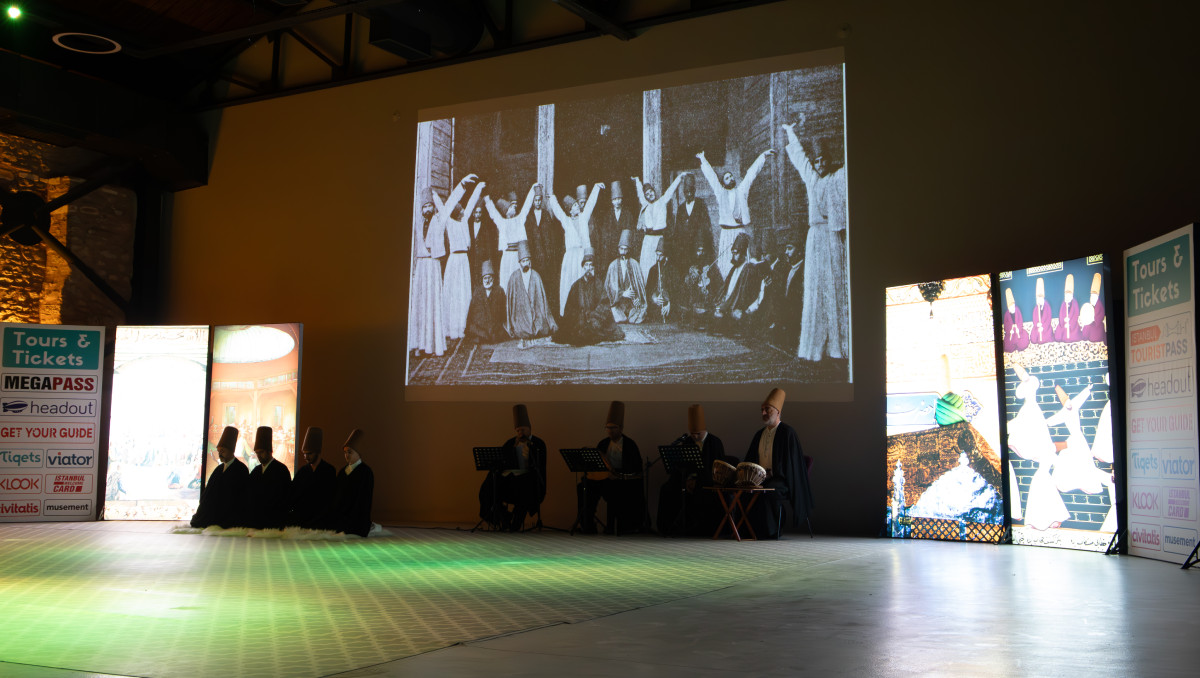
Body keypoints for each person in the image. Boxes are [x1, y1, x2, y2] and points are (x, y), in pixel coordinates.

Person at [783, 120, 848, 362]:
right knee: (814, 288)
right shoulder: (811, 179)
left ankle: (837, 346)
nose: (820, 165)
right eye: (817, 161)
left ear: (829, 161)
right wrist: (790, 132)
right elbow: (800, 159)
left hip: (831, 236)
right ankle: (813, 347)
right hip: (814, 239)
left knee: (833, 286)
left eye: (823, 161)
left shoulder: (837, 178)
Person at [743, 388, 813, 539]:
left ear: (778, 411)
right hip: (759, 479)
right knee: (744, 491)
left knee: (768, 491)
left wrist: (772, 473)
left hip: (782, 480)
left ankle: (771, 531)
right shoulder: (759, 434)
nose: (763, 413)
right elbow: (750, 460)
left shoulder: (788, 433)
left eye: (767, 409)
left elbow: (791, 465)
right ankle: (749, 530)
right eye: (762, 410)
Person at [696, 147, 774, 278]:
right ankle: (728, 286)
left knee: (743, 264)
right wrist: (703, 159)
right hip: (726, 234)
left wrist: (763, 156)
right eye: (727, 178)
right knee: (726, 265)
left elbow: (751, 174)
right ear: (723, 183)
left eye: (731, 176)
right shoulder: (721, 193)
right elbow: (712, 177)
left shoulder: (741, 191)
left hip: (740, 232)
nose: (731, 178)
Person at [656, 404, 727, 537]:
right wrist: (688, 479)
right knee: (666, 489)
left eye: (698, 434)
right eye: (692, 433)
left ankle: (698, 528)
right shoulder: (688, 441)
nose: (695, 436)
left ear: (704, 430)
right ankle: (667, 527)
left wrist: (697, 480)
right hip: (688, 478)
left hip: (706, 480)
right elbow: (682, 465)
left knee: (702, 490)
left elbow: (717, 468)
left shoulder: (715, 442)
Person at [477, 404, 548, 532]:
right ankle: (503, 518)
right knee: (490, 484)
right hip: (510, 481)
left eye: (523, 430)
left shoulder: (538, 444)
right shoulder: (510, 443)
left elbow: (540, 467)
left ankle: (516, 523)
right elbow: (501, 461)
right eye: (518, 430)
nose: (520, 433)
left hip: (529, 483)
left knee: (525, 485)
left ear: (529, 429)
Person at [578, 401, 644, 535]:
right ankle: (587, 524)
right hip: (604, 479)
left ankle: (615, 526)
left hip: (622, 481)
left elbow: (635, 467)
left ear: (621, 428)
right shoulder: (603, 443)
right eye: (608, 427)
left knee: (615, 488)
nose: (610, 430)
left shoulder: (630, 445)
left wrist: (616, 473)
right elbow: (597, 464)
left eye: (613, 427)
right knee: (583, 487)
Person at [547, 183, 604, 316]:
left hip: (583, 256)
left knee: (584, 282)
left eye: (576, 204)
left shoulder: (584, 217)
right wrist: (552, 199)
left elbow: (590, 204)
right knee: (569, 282)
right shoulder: (566, 221)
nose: (577, 206)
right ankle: (568, 312)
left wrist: (596, 188)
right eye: (574, 205)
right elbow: (558, 211)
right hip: (570, 258)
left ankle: (586, 311)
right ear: (569, 210)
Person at [442, 176, 486, 340]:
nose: (462, 211)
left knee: (464, 294)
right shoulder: (449, 222)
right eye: (460, 210)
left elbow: (471, 203)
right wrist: (461, 185)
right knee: (453, 294)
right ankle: (450, 327)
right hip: (454, 261)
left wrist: (478, 188)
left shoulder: (464, 221)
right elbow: (448, 205)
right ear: (455, 212)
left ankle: (462, 327)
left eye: (462, 210)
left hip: (464, 261)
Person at [554, 248, 624, 346]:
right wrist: (579, 318)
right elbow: (570, 308)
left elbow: (604, 305)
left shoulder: (598, 284)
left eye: (591, 265)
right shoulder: (576, 285)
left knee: (600, 332)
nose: (588, 268)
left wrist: (594, 318)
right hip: (580, 321)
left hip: (595, 320)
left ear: (594, 268)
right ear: (583, 267)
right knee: (572, 334)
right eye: (586, 265)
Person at [408, 194, 448, 357]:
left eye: (430, 206)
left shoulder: (439, 220)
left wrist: (463, 186)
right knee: (420, 304)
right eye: (424, 207)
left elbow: (448, 205)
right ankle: (418, 344)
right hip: (421, 266)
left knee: (433, 303)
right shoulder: (417, 223)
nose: (427, 209)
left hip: (433, 265)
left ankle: (433, 345)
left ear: (434, 207)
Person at [484, 184, 539, 294]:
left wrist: (533, 189)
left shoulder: (519, 219)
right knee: (506, 282)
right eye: (511, 207)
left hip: (518, 256)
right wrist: (487, 201)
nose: (514, 208)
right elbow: (493, 213)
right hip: (507, 257)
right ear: (506, 211)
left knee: (520, 283)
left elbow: (527, 206)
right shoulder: (502, 222)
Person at [190, 426, 248, 528]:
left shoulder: (241, 469)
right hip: (214, 513)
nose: (220, 454)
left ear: (231, 451)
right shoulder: (218, 469)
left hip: (231, 514)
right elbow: (208, 494)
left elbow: (241, 497)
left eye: (223, 451)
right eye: (219, 451)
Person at [633, 173, 687, 279]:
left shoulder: (662, 201)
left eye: (651, 191)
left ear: (654, 191)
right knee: (646, 265)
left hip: (659, 239)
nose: (650, 195)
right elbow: (640, 194)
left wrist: (680, 177)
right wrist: (637, 181)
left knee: (658, 264)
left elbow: (670, 190)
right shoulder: (645, 205)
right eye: (647, 194)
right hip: (648, 240)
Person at [505, 240, 557, 348]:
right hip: (521, 316)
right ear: (519, 262)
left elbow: (543, 301)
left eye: (527, 260)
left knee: (541, 327)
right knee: (521, 330)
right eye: (523, 261)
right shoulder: (514, 277)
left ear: (530, 261)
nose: (525, 263)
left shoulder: (536, 276)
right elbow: (509, 304)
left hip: (535, 314)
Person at [323, 429, 374, 537]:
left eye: (350, 452)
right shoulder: (343, 471)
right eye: (345, 452)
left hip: (357, 516)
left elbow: (363, 500)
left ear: (358, 452)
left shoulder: (366, 472)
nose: (346, 455)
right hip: (341, 514)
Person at [525, 185, 563, 320]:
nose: (538, 202)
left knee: (547, 287)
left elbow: (551, 238)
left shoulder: (546, 215)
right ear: (532, 201)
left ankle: (547, 315)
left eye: (539, 200)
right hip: (535, 260)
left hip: (546, 260)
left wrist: (550, 255)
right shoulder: (529, 217)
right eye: (535, 200)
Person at [245, 426, 292, 529]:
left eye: (261, 452)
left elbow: (285, 499)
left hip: (274, 524)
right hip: (255, 524)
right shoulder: (256, 471)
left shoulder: (281, 470)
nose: (259, 456)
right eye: (257, 453)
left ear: (269, 451)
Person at [290, 426, 336, 529]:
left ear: (317, 452)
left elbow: (330, 499)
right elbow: (294, 495)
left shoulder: (329, 471)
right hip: (302, 520)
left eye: (309, 453)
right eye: (304, 454)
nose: (306, 457)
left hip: (322, 520)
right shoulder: (302, 471)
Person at [712, 233, 756, 333]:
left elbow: (743, 295)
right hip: (728, 302)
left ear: (743, 253)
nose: (733, 256)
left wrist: (726, 305)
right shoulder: (734, 268)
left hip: (736, 306)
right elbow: (725, 289)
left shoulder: (748, 270)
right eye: (732, 253)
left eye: (736, 253)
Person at [605, 229, 648, 324]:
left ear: (628, 250)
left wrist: (638, 299)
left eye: (625, 249)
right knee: (615, 314)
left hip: (631, 304)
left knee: (637, 316)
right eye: (621, 249)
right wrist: (622, 293)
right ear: (618, 249)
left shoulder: (635, 264)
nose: (623, 252)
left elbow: (640, 287)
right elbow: (609, 287)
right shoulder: (613, 265)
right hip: (617, 304)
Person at [672, 172, 713, 266]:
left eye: (691, 191)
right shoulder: (681, 208)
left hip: (698, 244)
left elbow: (705, 225)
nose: (689, 194)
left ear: (694, 191)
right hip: (685, 247)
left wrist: (701, 243)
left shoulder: (700, 204)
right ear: (684, 193)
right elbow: (678, 229)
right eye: (687, 192)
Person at [595, 179, 635, 274]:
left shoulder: (627, 214)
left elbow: (631, 232)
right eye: (614, 199)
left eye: (619, 199)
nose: (617, 202)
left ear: (622, 199)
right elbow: (605, 235)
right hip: (611, 250)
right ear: (611, 201)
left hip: (624, 249)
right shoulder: (608, 216)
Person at [464, 260, 509, 344]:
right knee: (477, 332)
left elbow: (503, 312)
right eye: (485, 278)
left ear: (493, 278)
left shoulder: (499, 290)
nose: (487, 281)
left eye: (489, 278)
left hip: (494, 326)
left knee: (498, 334)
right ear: (482, 279)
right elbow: (472, 313)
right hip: (481, 326)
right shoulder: (477, 292)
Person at [681, 237, 723, 328]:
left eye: (703, 251)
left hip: (708, 303)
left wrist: (708, 292)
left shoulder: (713, 269)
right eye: (698, 251)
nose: (701, 253)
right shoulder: (692, 268)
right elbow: (687, 289)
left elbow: (719, 288)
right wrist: (692, 279)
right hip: (695, 303)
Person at [643, 238, 678, 324]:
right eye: (657, 255)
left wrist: (670, 304)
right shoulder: (653, 269)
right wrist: (654, 299)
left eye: (661, 255)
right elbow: (647, 290)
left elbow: (677, 291)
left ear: (666, 257)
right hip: (655, 304)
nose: (658, 258)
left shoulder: (672, 270)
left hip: (668, 305)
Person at [1054, 274, 1082, 342]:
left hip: (1072, 325)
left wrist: (1070, 323)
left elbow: (1075, 315)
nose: (1067, 296)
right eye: (1066, 295)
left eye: (1069, 295)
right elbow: (1061, 314)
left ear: (1072, 295)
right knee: (1058, 335)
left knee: (1072, 336)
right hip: (1064, 324)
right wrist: (1064, 321)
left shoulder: (1075, 303)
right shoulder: (1063, 303)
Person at [1080, 272, 1106, 342]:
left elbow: (1100, 317)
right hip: (1089, 324)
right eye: (1091, 296)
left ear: (1097, 297)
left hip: (1097, 325)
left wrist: (1094, 319)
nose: (1092, 298)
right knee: (1086, 328)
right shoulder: (1089, 305)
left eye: (1094, 296)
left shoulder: (1099, 305)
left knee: (1094, 336)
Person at [1002, 287, 1030, 352]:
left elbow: (1020, 321)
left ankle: (1018, 346)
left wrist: (1018, 328)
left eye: (1013, 305)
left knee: (1023, 342)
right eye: (1011, 306)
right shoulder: (1006, 314)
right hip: (1011, 334)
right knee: (1007, 345)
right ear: (1008, 307)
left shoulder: (1017, 310)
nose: (1013, 308)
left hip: (1019, 332)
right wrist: (1010, 330)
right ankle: (1013, 346)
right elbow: (1006, 326)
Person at [1029, 277, 1054, 345]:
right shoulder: (1036, 308)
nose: (1039, 301)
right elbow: (1034, 318)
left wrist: (1043, 327)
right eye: (1037, 299)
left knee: (1044, 338)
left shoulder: (1047, 307)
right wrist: (1037, 324)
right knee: (1033, 339)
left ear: (1043, 298)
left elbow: (1048, 319)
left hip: (1046, 328)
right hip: (1038, 327)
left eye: (1040, 299)